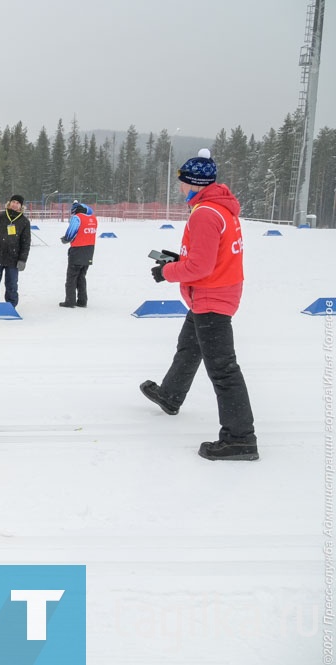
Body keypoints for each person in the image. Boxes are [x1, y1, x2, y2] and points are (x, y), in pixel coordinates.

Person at [141, 149, 258, 461]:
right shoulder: (220, 209)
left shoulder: (206, 213)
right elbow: (209, 258)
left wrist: (168, 271)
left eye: (182, 182)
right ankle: (170, 395)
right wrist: (181, 261)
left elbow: (201, 268)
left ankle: (240, 438)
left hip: (211, 297)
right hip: (211, 293)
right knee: (189, 347)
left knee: (223, 370)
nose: (180, 187)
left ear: (195, 184)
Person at [0, 194, 31, 305]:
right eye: (13, 202)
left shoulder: (24, 222)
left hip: (13, 259)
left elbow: (26, 243)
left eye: (18, 203)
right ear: (9, 203)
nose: (15, 204)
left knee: (12, 284)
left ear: (21, 206)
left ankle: (11, 305)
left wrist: (22, 259)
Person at [58, 200, 98, 308]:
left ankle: (70, 301)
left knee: (71, 277)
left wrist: (65, 239)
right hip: (90, 250)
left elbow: (71, 233)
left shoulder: (77, 218)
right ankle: (82, 300)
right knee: (82, 276)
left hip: (77, 250)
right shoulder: (93, 219)